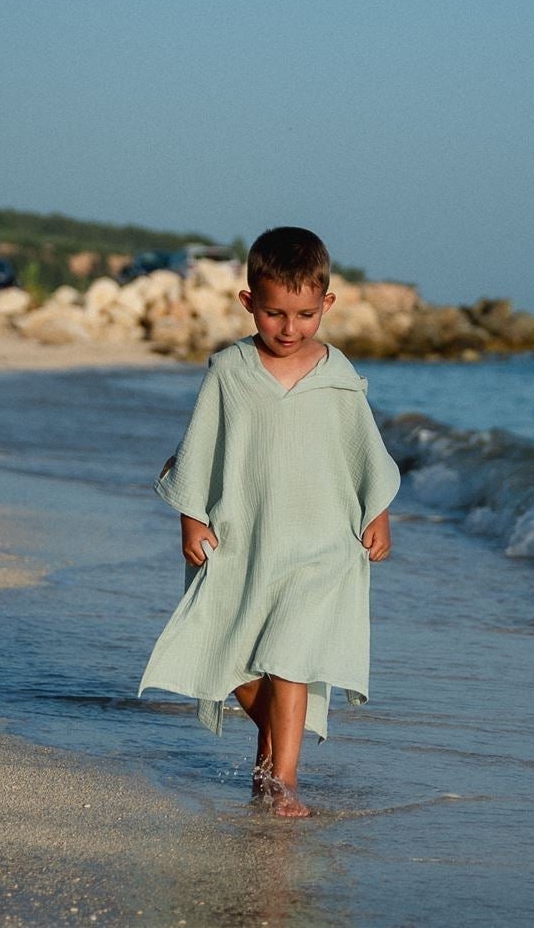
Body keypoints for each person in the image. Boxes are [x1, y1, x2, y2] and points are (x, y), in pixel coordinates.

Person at [137, 226, 400, 817]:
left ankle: (283, 783)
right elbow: (199, 449)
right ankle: (271, 760)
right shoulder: (230, 370)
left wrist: (378, 514)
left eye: (305, 314)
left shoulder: (337, 375)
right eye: (276, 313)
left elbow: (366, 454)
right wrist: (190, 517)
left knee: (291, 658)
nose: (289, 329)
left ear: (326, 305)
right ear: (248, 302)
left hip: (323, 543)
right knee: (227, 654)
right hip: (245, 539)